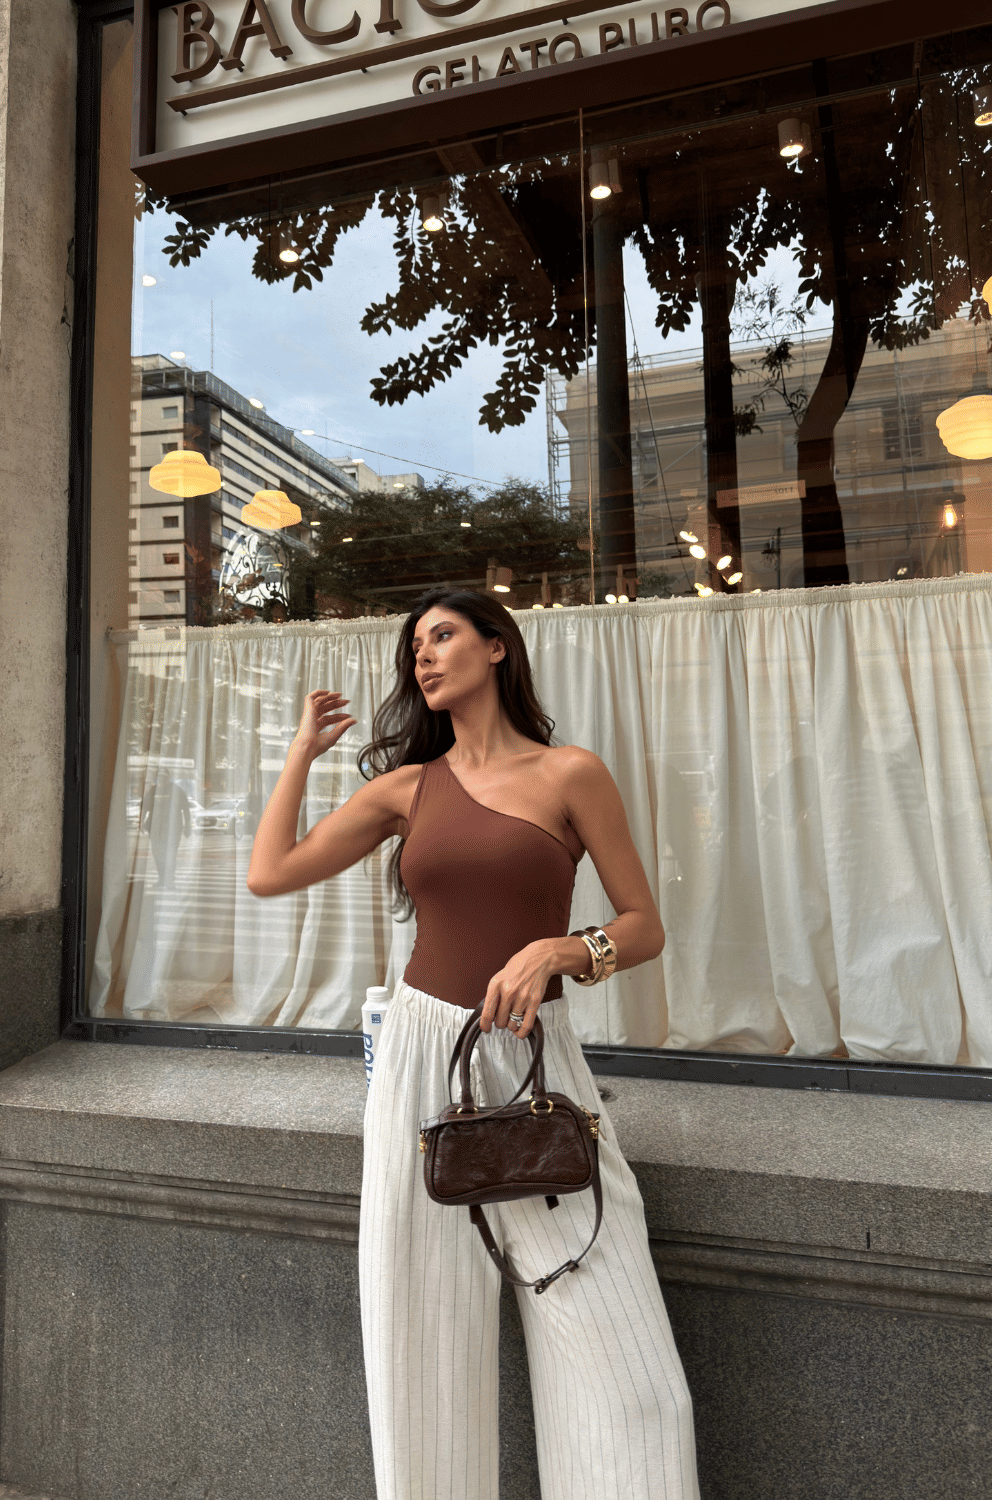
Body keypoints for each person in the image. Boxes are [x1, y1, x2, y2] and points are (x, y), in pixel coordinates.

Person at [247, 587, 699, 1500]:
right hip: (421, 1060)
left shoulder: (570, 774)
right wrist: (300, 753)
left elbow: (644, 926)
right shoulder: (408, 788)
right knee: (421, 1335)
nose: (423, 654)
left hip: (536, 1065)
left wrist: (561, 951)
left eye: (443, 635)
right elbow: (271, 872)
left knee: (627, 1367)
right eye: (414, 645)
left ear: (497, 647)